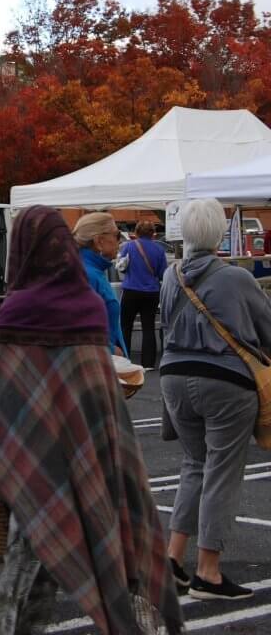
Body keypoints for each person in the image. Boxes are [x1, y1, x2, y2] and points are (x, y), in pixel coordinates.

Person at [0, 206, 183, 635]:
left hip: (32, 466)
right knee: (76, 577)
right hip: (90, 455)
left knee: (17, 590)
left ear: (23, 251)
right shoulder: (86, 305)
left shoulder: (17, 312)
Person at [160, 198, 271, 601]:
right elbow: (266, 328)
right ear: (220, 232)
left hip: (174, 376)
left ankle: (172, 559)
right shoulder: (236, 278)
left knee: (194, 464)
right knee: (222, 470)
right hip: (224, 380)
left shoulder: (171, 276)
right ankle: (208, 571)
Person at [72, 213, 128, 355]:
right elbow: (76, 330)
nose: (119, 241)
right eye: (117, 235)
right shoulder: (86, 275)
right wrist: (111, 350)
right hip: (98, 366)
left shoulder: (91, 271)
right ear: (99, 241)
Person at [118, 221, 168, 368]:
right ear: (153, 233)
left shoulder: (128, 246)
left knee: (125, 326)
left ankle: (125, 361)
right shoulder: (159, 250)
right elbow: (162, 273)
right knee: (148, 326)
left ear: (137, 232)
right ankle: (148, 363)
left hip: (130, 289)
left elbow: (121, 267)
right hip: (151, 292)